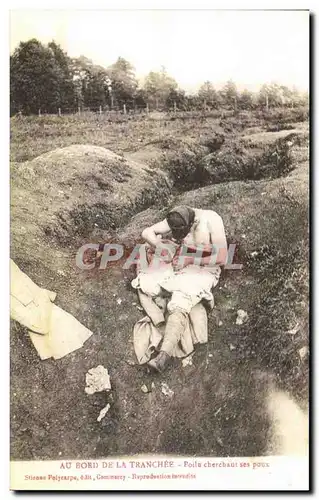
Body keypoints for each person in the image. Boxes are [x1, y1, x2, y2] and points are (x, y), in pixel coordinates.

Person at [138, 205, 228, 373]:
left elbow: (222, 258)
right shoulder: (178, 216)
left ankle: (163, 356)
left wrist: (190, 260)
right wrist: (161, 247)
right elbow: (147, 233)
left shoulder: (211, 219)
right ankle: (171, 293)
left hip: (204, 267)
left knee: (182, 298)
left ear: (191, 222)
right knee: (147, 284)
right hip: (180, 262)